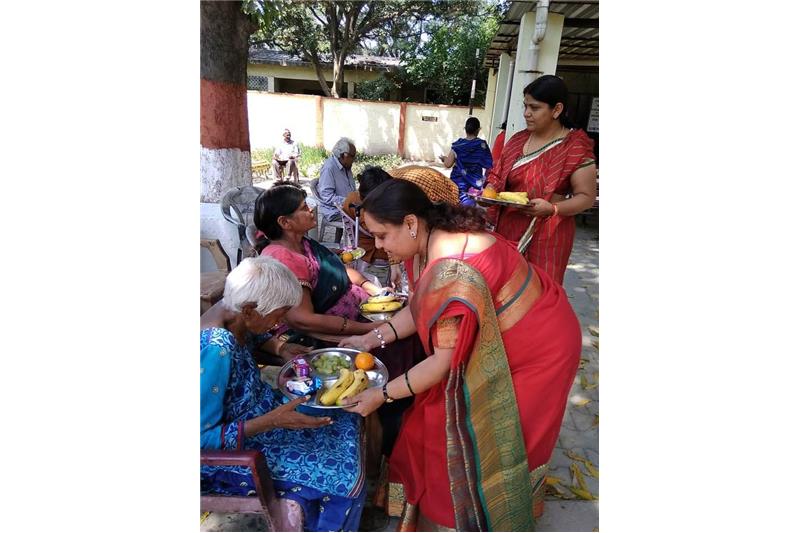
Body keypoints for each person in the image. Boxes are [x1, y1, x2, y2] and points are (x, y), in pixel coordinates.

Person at [339, 179, 582, 531]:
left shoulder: (451, 268)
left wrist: (381, 394)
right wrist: (369, 340)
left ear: (410, 223)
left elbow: (442, 362)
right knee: (437, 421)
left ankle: (489, 518)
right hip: (512, 332)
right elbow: (420, 308)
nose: (376, 246)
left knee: (496, 440)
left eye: (380, 235)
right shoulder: (429, 237)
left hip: (539, 349)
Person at [255, 183, 426, 475]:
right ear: (284, 223)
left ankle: (401, 422)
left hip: (358, 316)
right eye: (302, 208)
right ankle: (384, 431)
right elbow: (304, 319)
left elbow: (341, 270)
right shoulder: (283, 257)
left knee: (407, 330)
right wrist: (366, 330)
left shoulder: (304, 243)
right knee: (395, 347)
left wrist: (372, 288)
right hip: (315, 335)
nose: (311, 210)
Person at [200, 256, 365, 531]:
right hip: (234, 451)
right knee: (342, 477)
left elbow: (254, 334)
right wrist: (273, 421)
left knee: (345, 419)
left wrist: (280, 349)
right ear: (252, 310)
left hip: (263, 412)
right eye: (277, 316)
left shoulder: (231, 311)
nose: (278, 325)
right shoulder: (216, 349)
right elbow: (200, 441)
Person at [484, 75, 597, 285]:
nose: (527, 113)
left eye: (534, 108)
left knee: (538, 294)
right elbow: (497, 175)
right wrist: (490, 190)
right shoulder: (518, 140)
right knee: (504, 291)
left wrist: (553, 209)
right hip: (508, 230)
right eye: (525, 106)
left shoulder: (574, 146)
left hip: (548, 236)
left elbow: (586, 197)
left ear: (557, 109)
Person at [342, 166, 392, 265]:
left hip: (361, 242)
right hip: (369, 248)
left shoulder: (352, 197)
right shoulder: (367, 212)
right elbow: (384, 235)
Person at [439, 116, 494, 206]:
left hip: (457, 184)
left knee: (455, 207)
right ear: (478, 130)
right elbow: (490, 164)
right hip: (474, 184)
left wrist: (444, 158)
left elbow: (448, 164)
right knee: (468, 210)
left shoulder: (458, 145)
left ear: (465, 129)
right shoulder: (481, 145)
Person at [317, 137, 357, 226]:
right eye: (353, 156)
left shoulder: (346, 166)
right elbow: (327, 197)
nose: (354, 160)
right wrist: (349, 201)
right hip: (334, 210)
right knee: (364, 216)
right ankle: (357, 239)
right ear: (344, 155)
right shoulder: (329, 168)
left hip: (347, 206)